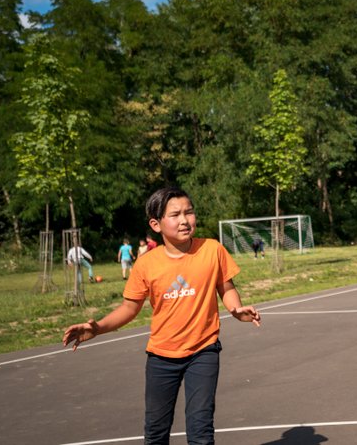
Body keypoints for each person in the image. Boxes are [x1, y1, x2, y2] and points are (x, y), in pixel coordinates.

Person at [62, 187, 261, 444]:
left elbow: (227, 288)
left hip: (204, 351)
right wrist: (98, 327)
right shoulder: (146, 264)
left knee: (201, 429)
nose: (184, 220)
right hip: (161, 357)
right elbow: (129, 308)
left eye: (189, 212)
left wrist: (236, 310)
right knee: (156, 431)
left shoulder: (212, 250)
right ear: (156, 224)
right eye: (175, 214)